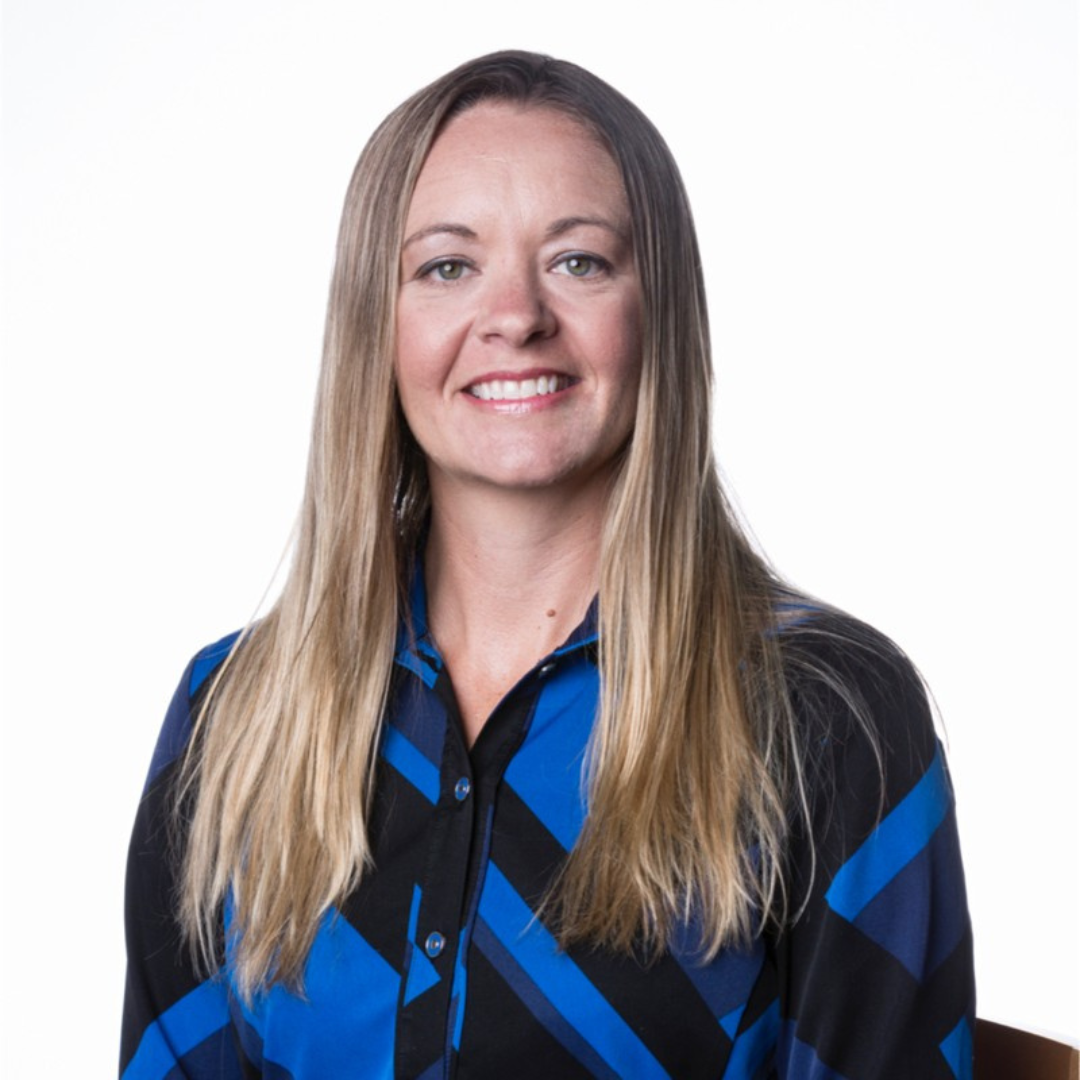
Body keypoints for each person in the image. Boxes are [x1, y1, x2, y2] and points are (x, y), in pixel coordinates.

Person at [121, 50, 975, 1079]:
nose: (516, 316)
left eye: (579, 261)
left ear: (656, 311)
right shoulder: (235, 716)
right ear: (373, 326)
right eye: (447, 266)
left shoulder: (831, 716)